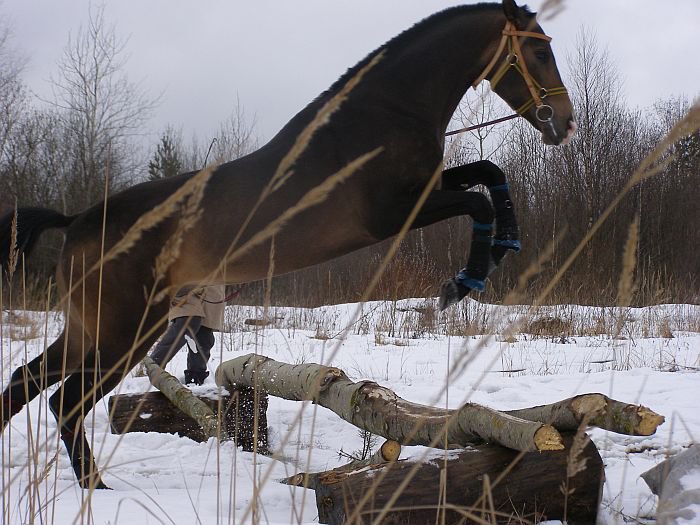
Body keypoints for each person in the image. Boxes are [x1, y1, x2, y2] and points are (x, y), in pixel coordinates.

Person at [149, 285, 226, 385]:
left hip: (212, 287)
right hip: (187, 282)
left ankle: (195, 379)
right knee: (188, 323)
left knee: (203, 337)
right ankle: (154, 365)